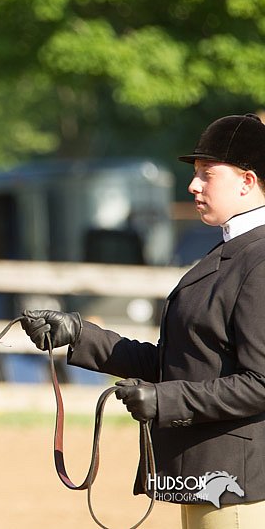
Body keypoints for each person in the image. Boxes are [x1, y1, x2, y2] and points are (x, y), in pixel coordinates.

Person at [21, 113, 265, 529]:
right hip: (206, 475)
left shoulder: (257, 260)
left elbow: (260, 383)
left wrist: (165, 401)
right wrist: (81, 334)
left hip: (236, 480)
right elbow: (183, 363)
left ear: (247, 180)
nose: (193, 185)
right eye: (195, 174)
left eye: (207, 174)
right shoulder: (227, 253)